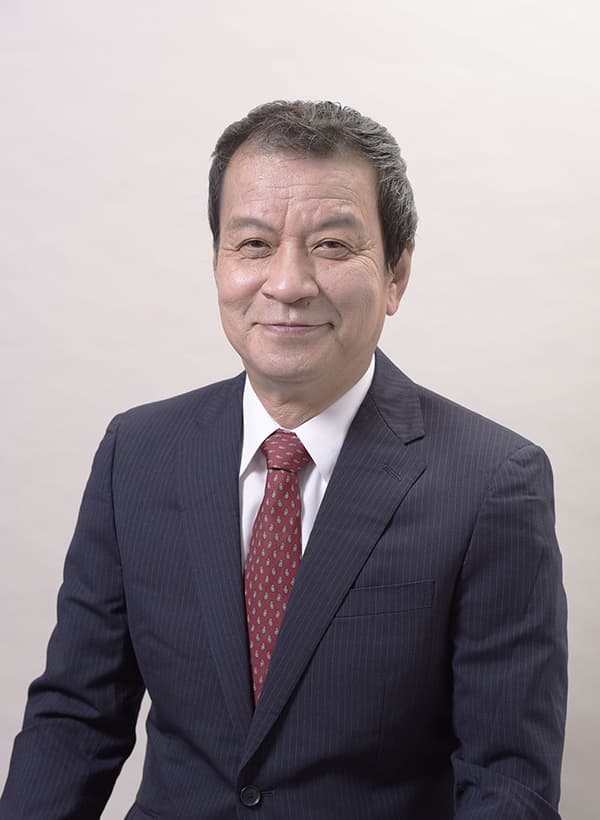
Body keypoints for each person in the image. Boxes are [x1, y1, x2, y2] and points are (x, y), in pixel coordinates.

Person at [0, 100, 567, 819]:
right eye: (254, 244)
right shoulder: (136, 453)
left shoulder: (492, 483)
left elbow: (507, 782)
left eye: (331, 245)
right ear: (218, 264)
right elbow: (75, 722)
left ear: (396, 274)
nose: (289, 283)